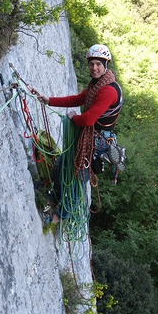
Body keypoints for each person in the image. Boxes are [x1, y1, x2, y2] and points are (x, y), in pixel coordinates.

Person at [38, 44, 125, 222]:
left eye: (98, 64)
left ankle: (59, 217)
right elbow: (80, 98)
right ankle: (54, 197)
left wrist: (73, 118)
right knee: (63, 163)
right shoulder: (98, 84)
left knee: (77, 178)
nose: (94, 68)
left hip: (98, 142)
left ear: (105, 65)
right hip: (90, 137)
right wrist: (50, 100)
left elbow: (87, 120)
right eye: (92, 64)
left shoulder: (108, 90)